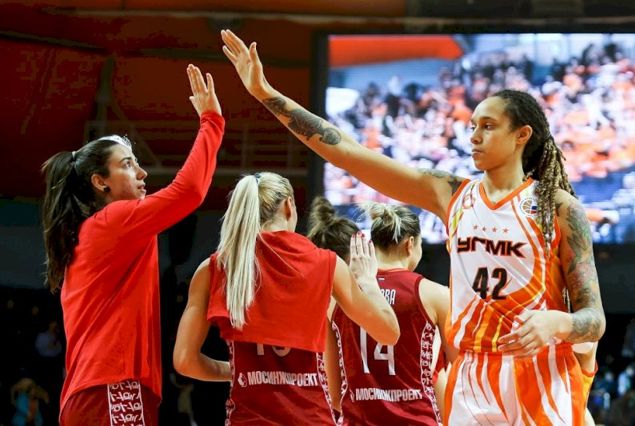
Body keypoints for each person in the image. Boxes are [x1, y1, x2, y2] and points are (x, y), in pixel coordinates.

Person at [221, 29, 606, 425]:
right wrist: (265, 93)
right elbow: (347, 152)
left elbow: (594, 318)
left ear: (522, 135)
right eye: (473, 125)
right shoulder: (451, 194)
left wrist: (560, 322)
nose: (473, 136)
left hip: (540, 370)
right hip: (472, 376)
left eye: (488, 126)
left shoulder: (560, 208)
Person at [41, 64, 225, 425]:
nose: (142, 173)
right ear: (100, 182)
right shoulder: (114, 221)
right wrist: (212, 122)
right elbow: (189, 191)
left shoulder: (99, 231)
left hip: (98, 393)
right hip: (113, 388)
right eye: (127, 165)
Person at [173, 172, 399, 425]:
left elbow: (185, 361)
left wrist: (237, 371)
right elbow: (388, 332)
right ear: (288, 205)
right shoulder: (326, 264)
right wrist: (368, 281)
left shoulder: (214, 268)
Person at [307, 197, 452, 424]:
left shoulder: (337, 299)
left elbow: (334, 395)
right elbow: (458, 372)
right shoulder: (436, 294)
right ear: (410, 244)